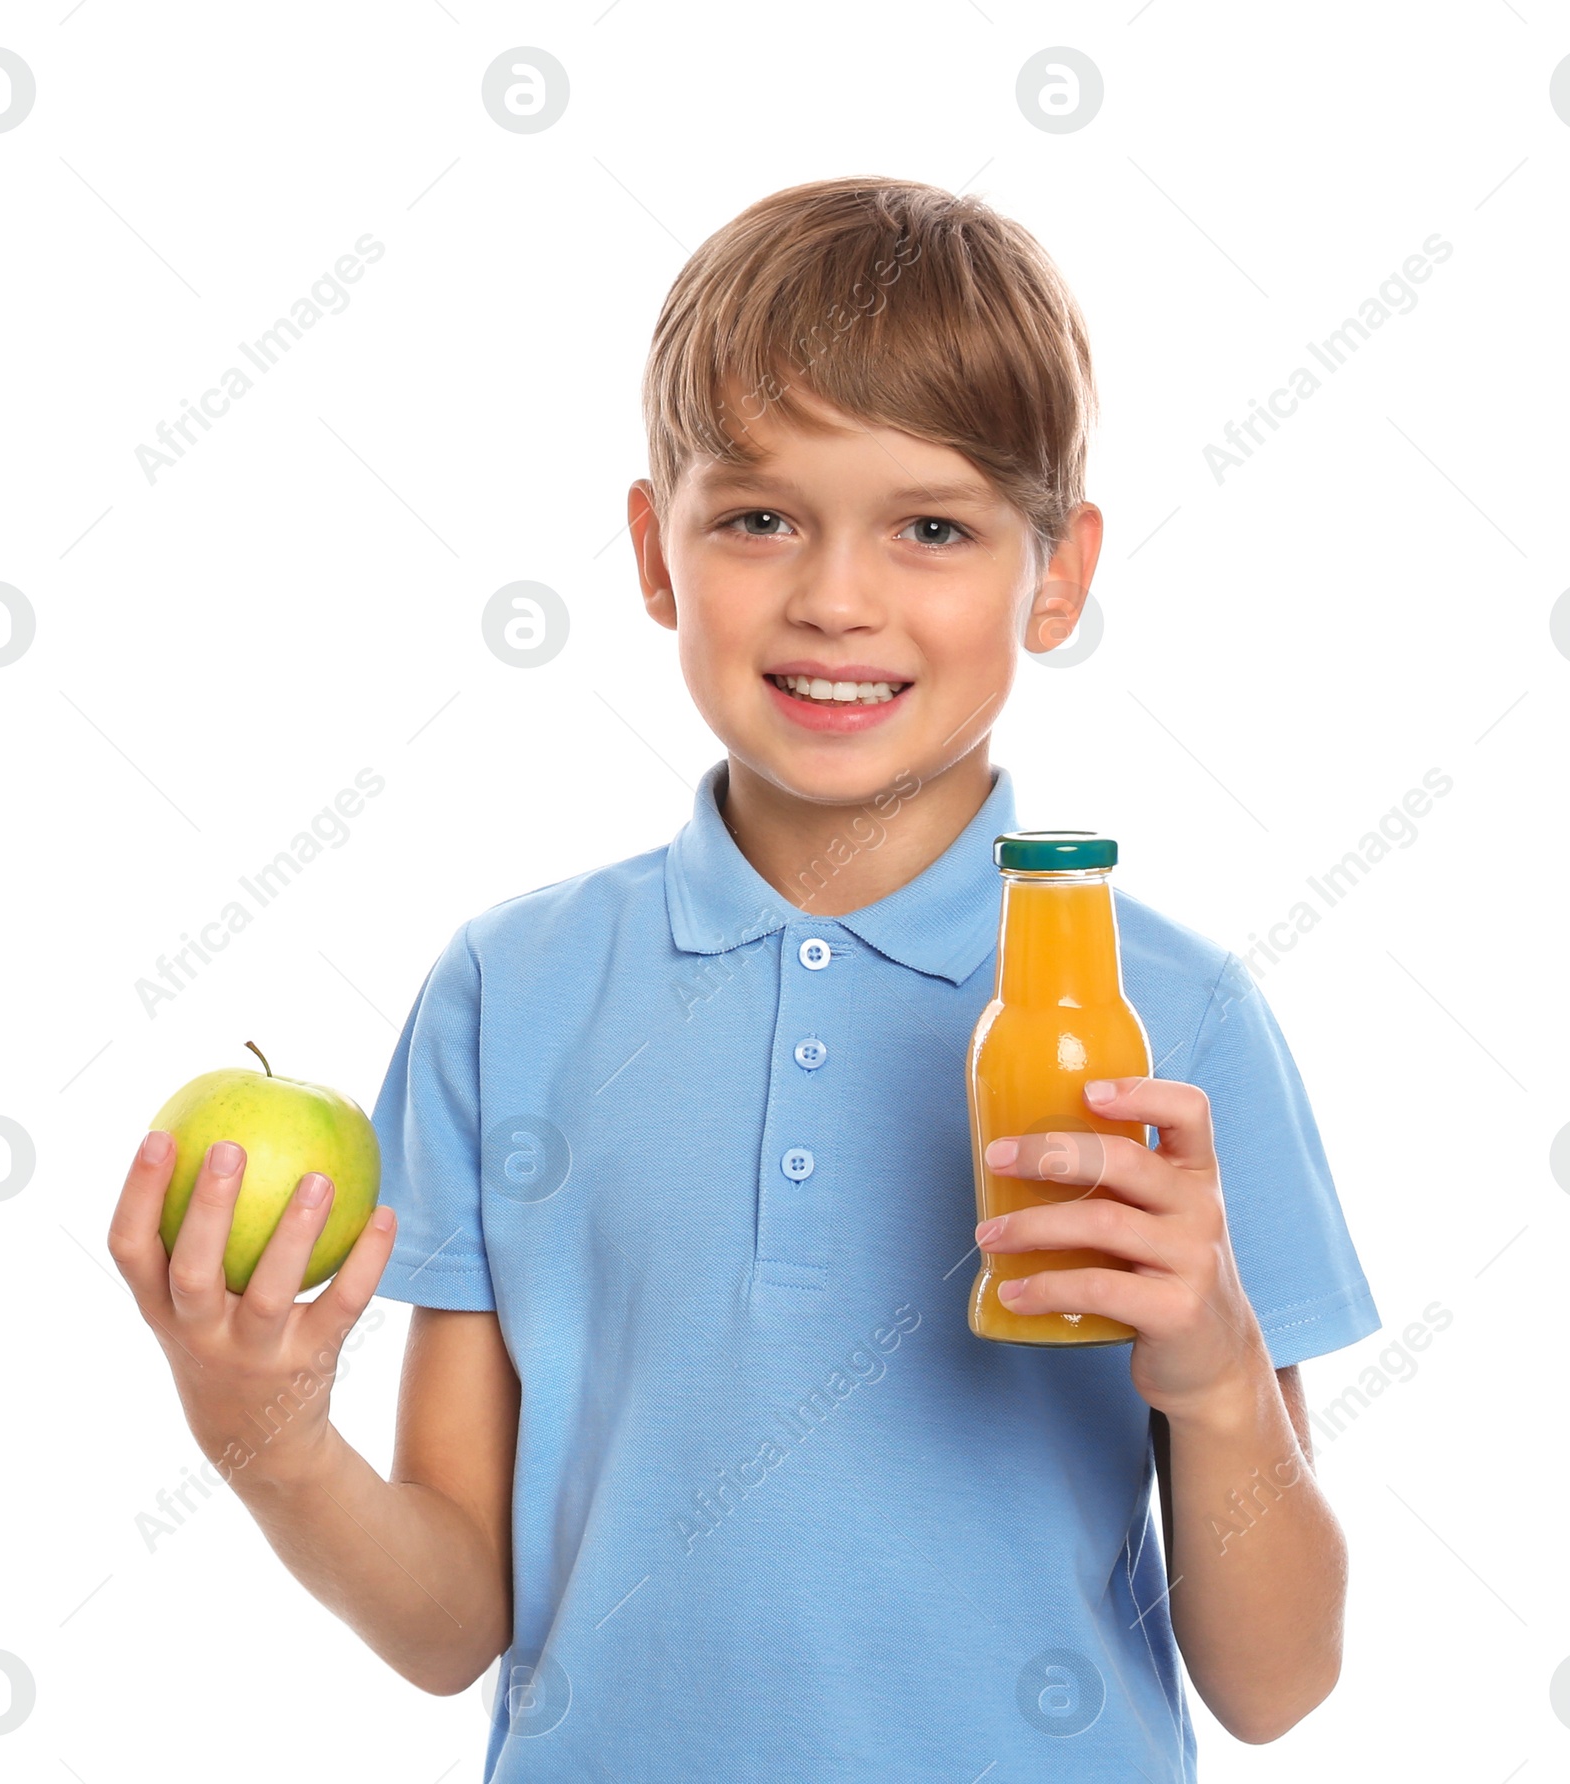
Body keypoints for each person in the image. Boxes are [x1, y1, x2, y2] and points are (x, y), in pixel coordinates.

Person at [109, 176, 1379, 1781]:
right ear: (656, 548)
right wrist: (266, 1443)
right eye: (760, 517)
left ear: (1056, 576)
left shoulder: (1169, 1020)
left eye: (933, 526)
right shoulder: (515, 995)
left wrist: (1212, 1384)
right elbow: (451, 1623)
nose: (837, 595)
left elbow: (1279, 1685)